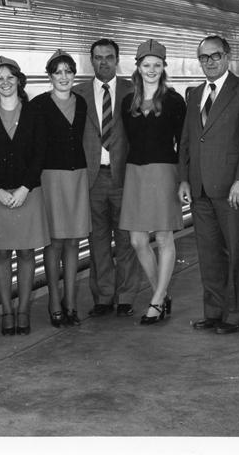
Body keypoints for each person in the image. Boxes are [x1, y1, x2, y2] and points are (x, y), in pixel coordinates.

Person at [178, 35, 239, 334]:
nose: (210, 62)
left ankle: (236, 316)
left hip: (231, 188)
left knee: (238, 253)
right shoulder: (195, 93)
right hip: (200, 187)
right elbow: (187, 140)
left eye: (215, 56)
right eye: (204, 57)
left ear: (227, 56)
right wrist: (184, 179)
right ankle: (213, 312)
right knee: (209, 253)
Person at [0, 56, 49, 336]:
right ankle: (7, 311)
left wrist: (24, 188)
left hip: (28, 193)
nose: (5, 83)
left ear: (19, 80)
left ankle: (24, 310)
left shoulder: (34, 113)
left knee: (27, 252)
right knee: (2, 253)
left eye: (10, 77)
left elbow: (40, 154)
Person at [118, 39, 185, 325]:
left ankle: (156, 300)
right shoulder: (127, 102)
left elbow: (183, 143)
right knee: (137, 240)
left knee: (164, 236)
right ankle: (163, 291)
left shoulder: (174, 101)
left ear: (163, 67)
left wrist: (184, 179)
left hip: (164, 172)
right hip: (135, 172)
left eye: (157, 65)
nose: (152, 70)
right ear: (138, 67)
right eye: (147, 65)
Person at [73, 38, 141, 318]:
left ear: (117, 59)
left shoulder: (133, 90)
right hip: (92, 178)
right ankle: (102, 297)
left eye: (109, 57)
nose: (103, 62)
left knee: (126, 239)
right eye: (98, 57)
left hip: (124, 176)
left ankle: (125, 296)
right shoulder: (78, 94)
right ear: (91, 60)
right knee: (97, 240)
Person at [32, 50, 90, 327]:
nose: (64, 77)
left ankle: (71, 304)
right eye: (58, 72)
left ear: (73, 75)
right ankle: (55, 304)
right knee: (54, 243)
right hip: (50, 178)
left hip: (77, 176)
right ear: (50, 76)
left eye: (68, 71)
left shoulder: (82, 103)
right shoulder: (39, 105)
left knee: (73, 242)